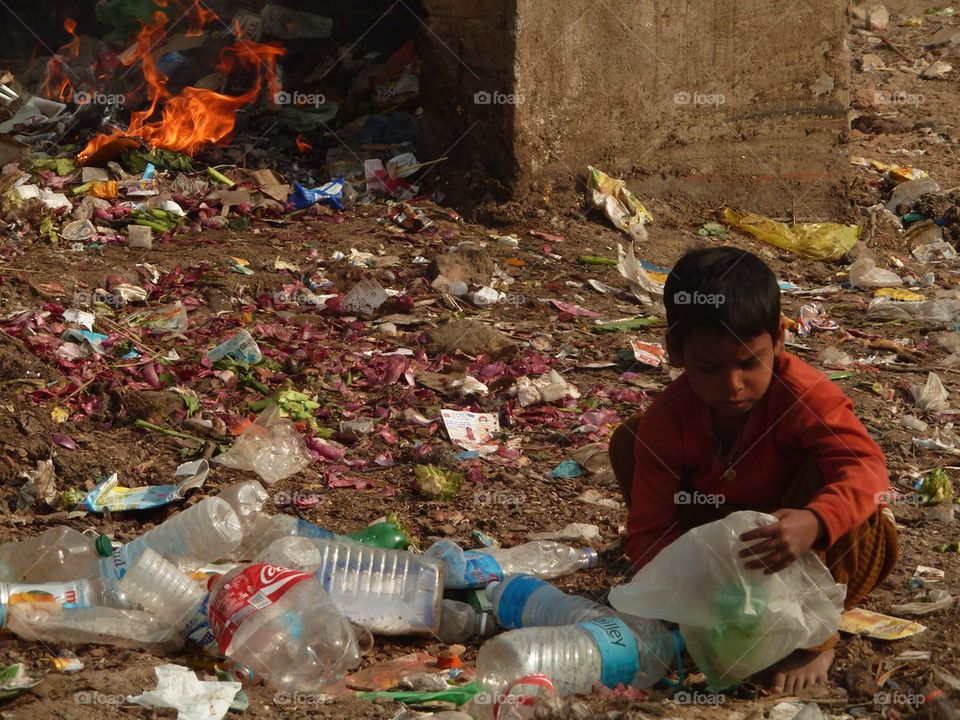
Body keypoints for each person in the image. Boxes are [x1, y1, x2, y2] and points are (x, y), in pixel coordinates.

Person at [608, 246, 897, 694]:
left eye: (749, 362)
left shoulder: (803, 396)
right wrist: (694, 591)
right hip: (727, 563)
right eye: (710, 367)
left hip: (813, 554)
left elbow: (868, 469)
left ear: (779, 340)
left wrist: (814, 522)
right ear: (675, 351)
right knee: (631, 438)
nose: (733, 385)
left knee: (842, 478)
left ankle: (815, 638)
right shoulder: (671, 419)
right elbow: (648, 534)